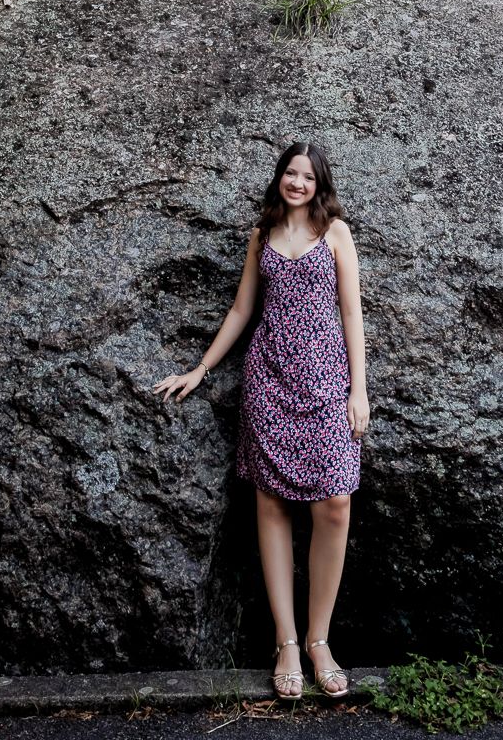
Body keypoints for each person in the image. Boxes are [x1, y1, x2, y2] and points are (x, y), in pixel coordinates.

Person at [153, 141, 369, 703]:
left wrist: (359, 391)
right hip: (268, 382)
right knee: (270, 501)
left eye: (307, 176)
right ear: (279, 179)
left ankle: (320, 639)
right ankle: (287, 643)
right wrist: (202, 367)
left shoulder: (337, 233)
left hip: (326, 383)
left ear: (321, 183)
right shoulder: (261, 235)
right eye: (290, 173)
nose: (297, 183)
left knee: (335, 503)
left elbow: (352, 313)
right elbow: (242, 309)